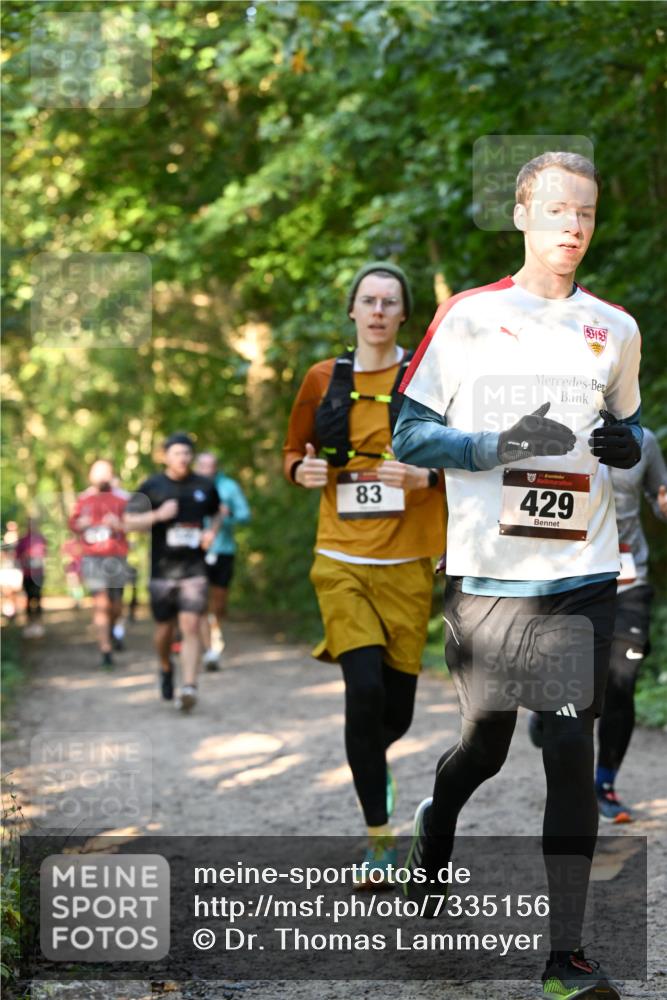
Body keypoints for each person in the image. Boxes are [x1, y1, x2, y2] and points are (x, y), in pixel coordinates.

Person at [393, 152, 641, 999]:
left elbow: (631, 433)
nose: (573, 226)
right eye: (558, 210)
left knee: (568, 749)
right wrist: (491, 447)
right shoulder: (469, 316)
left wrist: (626, 445)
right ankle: (435, 824)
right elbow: (407, 434)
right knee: (485, 746)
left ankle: (564, 958)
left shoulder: (613, 327)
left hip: (581, 571)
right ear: (522, 215)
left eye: (586, 213)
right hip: (488, 576)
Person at [283, 262, 445, 884]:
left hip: (407, 561)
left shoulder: (428, 379)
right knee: (364, 691)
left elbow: (460, 459)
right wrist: (300, 471)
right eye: (368, 301)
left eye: (389, 302)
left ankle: (372, 766)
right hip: (341, 559)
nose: (377, 311)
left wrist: (426, 476)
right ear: (352, 309)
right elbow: (293, 451)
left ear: (403, 314)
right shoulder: (322, 378)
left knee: (395, 715)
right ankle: (379, 840)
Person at [529, 428, 667, 823]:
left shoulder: (643, 440)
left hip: (627, 580)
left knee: (621, 680)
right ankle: (543, 709)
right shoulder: (553, 433)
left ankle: (604, 784)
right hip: (567, 581)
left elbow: (659, 499)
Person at [124, 433, 221, 712]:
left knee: (191, 626)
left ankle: (189, 686)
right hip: (162, 571)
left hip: (194, 569)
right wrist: (158, 515)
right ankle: (165, 666)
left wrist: (211, 532)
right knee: (164, 630)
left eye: (187, 453)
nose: (183, 458)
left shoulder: (204, 485)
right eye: (177, 453)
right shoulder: (152, 486)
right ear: (165, 457)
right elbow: (128, 521)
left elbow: (217, 512)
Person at [69, 461, 130, 668]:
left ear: (111, 475)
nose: (102, 476)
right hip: (92, 558)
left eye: (106, 473)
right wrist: (80, 524)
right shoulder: (83, 499)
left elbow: (135, 523)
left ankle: (113, 629)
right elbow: (72, 523)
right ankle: (106, 650)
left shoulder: (122, 498)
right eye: (98, 472)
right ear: (91, 476)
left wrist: (119, 524)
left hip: (117, 556)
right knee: (101, 603)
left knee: (116, 605)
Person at [193, 451, 251, 670]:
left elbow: (245, 515)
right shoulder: (190, 486)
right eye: (203, 465)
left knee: (219, 601)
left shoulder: (228, 487)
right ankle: (207, 646)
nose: (207, 469)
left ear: (216, 467)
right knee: (198, 598)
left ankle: (215, 629)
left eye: (211, 465)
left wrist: (227, 515)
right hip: (194, 551)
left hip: (222, 550)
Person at [15, 519, 48, 638]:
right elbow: (17, 556)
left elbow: (45, 555)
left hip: (38, 574)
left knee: (38, 597)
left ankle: (39, 624)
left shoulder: (40, 539)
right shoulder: (23, 541)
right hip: (27, 574)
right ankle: (29, 624)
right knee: (28, 598)